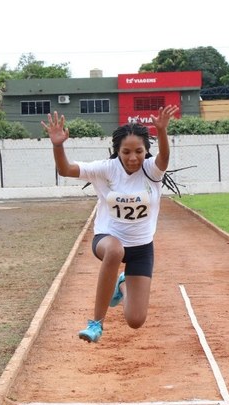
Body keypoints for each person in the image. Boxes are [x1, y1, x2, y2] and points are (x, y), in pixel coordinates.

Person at [42, 105, 179, 343]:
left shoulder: (151, 171)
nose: (133, 158)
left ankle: (122, 284)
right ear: (117, 151)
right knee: (116, 251)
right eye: (126, 152)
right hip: (107, 239)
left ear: (146, 151)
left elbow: (164, 158)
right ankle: (96, 323)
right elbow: (65, 169)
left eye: (138, 151)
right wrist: (57, 145)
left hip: (141, 248)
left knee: (135, 321)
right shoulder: (106, 169)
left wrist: (162, 131)